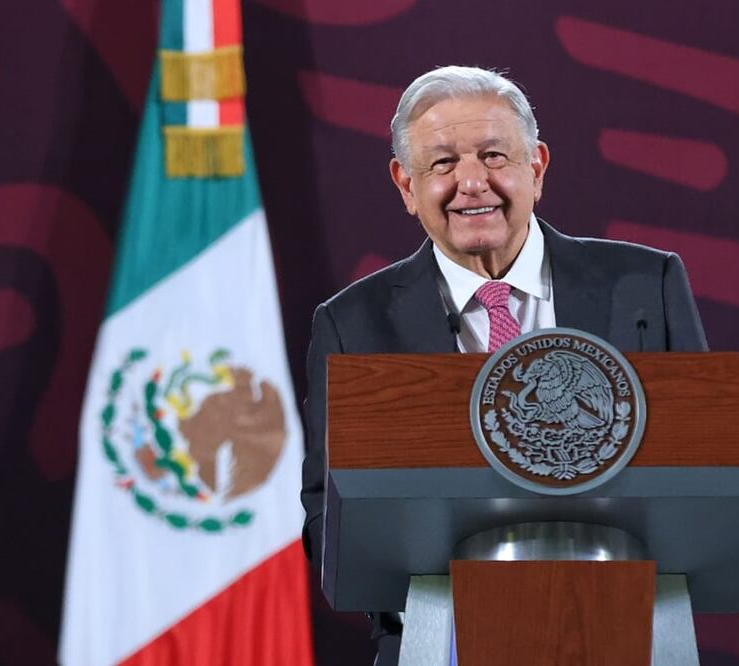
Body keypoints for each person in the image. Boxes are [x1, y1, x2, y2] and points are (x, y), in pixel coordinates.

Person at [300, 65, 708, 665]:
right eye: (441, 164)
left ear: (536, 168)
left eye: (494, 155)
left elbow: (711, 467)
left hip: (623, 630)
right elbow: (326, 518)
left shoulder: (646, 286)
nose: (471, 182)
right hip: (438, 640)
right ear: (406, 186)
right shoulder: (354, 325)